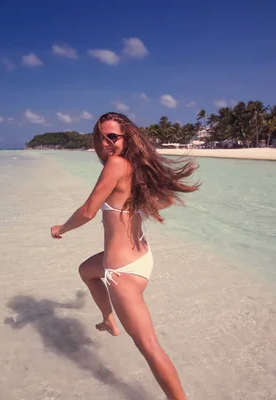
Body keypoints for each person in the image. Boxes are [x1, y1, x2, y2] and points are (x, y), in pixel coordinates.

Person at [50, 112, 200, 400]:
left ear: (127, 137)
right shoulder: (134, 167)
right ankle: (108, 319)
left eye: (113, 137)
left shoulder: (117, 165)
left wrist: (62, 228)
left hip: (123, 273)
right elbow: (165, 199)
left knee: (149, 347)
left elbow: (88, 211)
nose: (106, 143)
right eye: (101, 137)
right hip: (138, 257)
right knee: (87, 271)